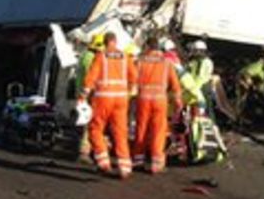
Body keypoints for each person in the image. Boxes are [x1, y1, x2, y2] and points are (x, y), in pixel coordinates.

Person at [79, 32, 137, 178]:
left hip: (103, 99)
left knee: (95, 129)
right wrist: (128, 92)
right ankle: (125, 168)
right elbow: (134, 78)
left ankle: (103, 162)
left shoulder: (101, 56)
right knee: (120, 133)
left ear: (104, 43)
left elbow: (90, 78)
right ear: (115, 41)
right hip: (121, 100)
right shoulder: (125, 57)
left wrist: (83, 96)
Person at [132, 36, 182, 174]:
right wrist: (178, 103)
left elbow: (132, 80)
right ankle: (156, 164)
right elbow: (175, 85)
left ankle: (138, 161)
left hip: (143, 99)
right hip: (160, 100)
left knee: (141, 130)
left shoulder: (140, 61)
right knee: (158, 131)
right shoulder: (167, 63)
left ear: (147, 46)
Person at [76, 34, 105, 162]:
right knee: (90, 124)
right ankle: (84, 152)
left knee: (86, 123)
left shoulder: (85, 55)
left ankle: (88, 150)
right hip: (89, 95)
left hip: (82, 93)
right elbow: (91, 79)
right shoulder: (91, 58)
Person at [187, 40, 215, 117]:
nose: (194, 52)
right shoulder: (195, 61)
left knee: (206, 110)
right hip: (195, 87)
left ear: (201, 51)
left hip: (203, 88)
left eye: (195, 50)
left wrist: (194, 88)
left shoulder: (205, 62)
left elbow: (201, 77)